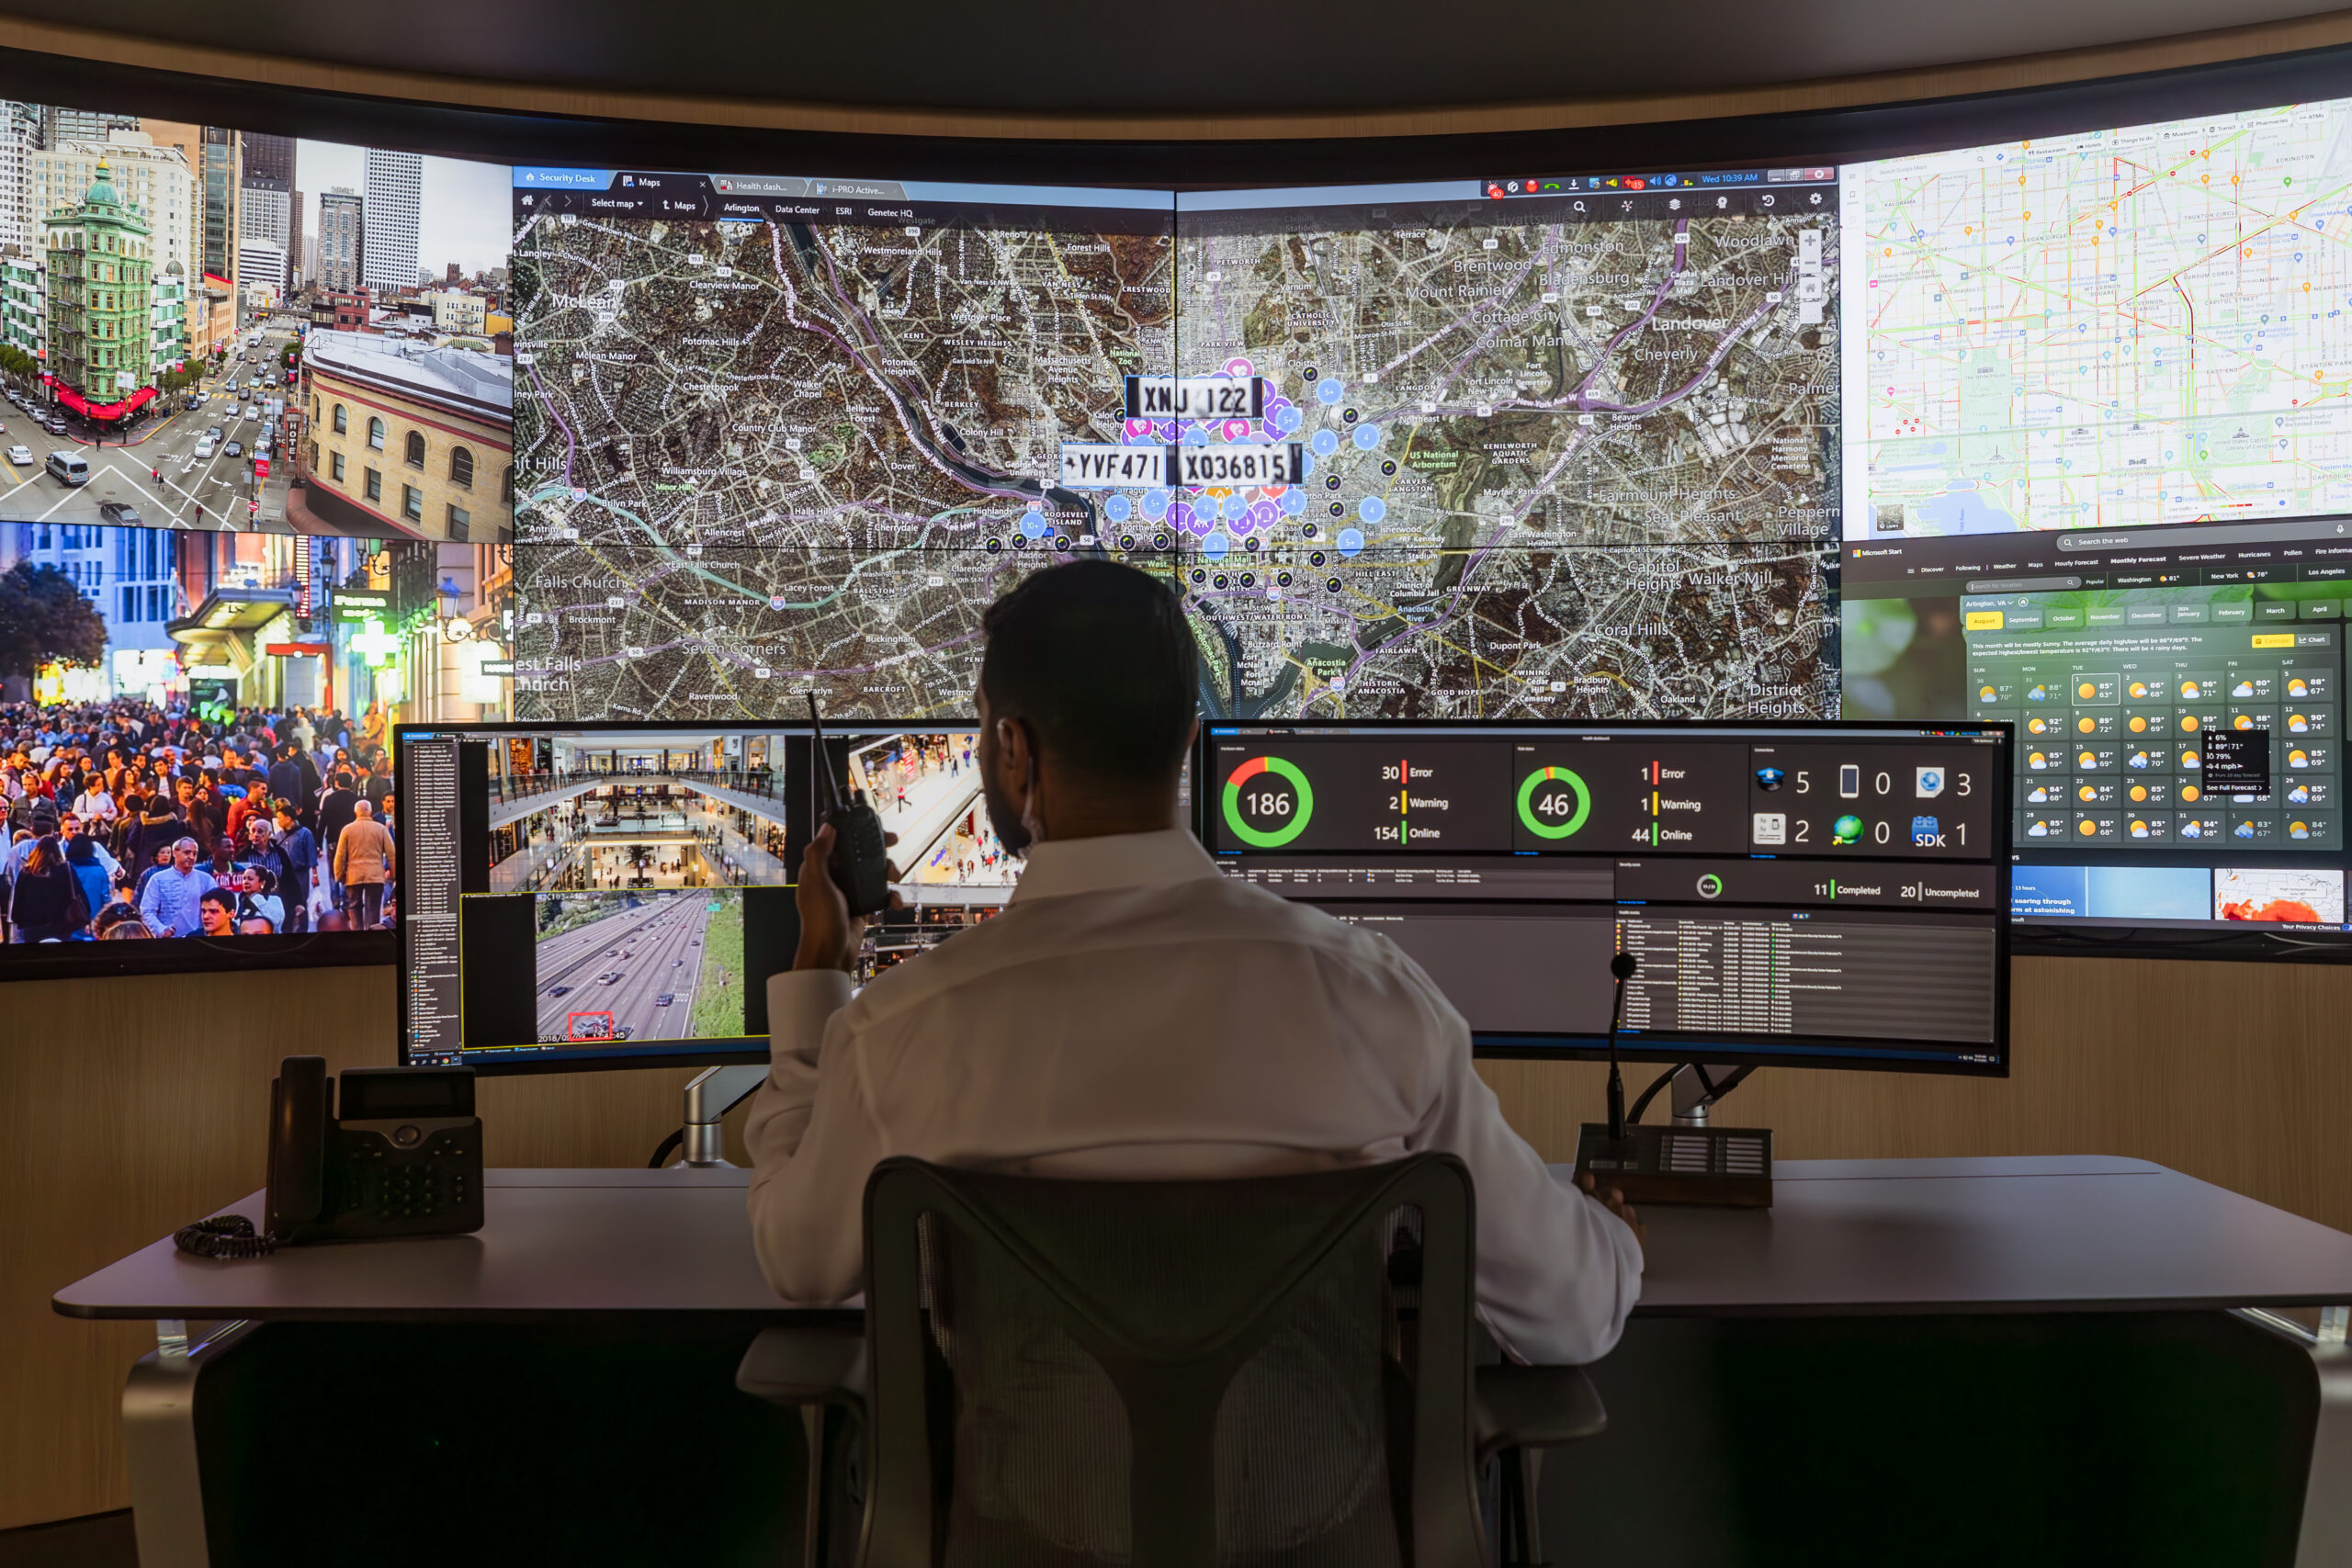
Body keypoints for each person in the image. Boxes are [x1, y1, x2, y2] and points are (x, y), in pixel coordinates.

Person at [745, 561, 1642, 1368]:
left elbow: (800, 1263)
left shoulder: (901, 1030)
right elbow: (1572, 1314)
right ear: (1185, 740)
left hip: (1027, 1529)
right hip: (1310, 1536)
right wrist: (1611, 1236)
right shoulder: (1373, 1000)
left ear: (1013, 750)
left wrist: (819, 968)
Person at [9, 832, 89, 942]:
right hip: (61, 925)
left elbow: (18, 899)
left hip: (32, 926)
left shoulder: (27, 872)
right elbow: (80, 894)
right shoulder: (66, 869)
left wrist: (18, 920)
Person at [333, 797, 394, 930]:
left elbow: (340, 856)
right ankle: (372, 935)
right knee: (373, 908)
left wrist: (340, 875)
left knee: (354, 906)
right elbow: (391, 854)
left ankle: (357, 932)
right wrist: (394, 874)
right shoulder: (381, 829)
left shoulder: (347, 830)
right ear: (370, 812)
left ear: (356, 812)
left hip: (354, 876)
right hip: (375, 875)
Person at [139, 837, 216, 938]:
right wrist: (161, 930)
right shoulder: (158, 879)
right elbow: (147, 911)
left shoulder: (206, 880)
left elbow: (216, 908)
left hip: (199, 939)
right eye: (187, 852)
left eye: (194, 854)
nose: (191, 857)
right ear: (175, 852)